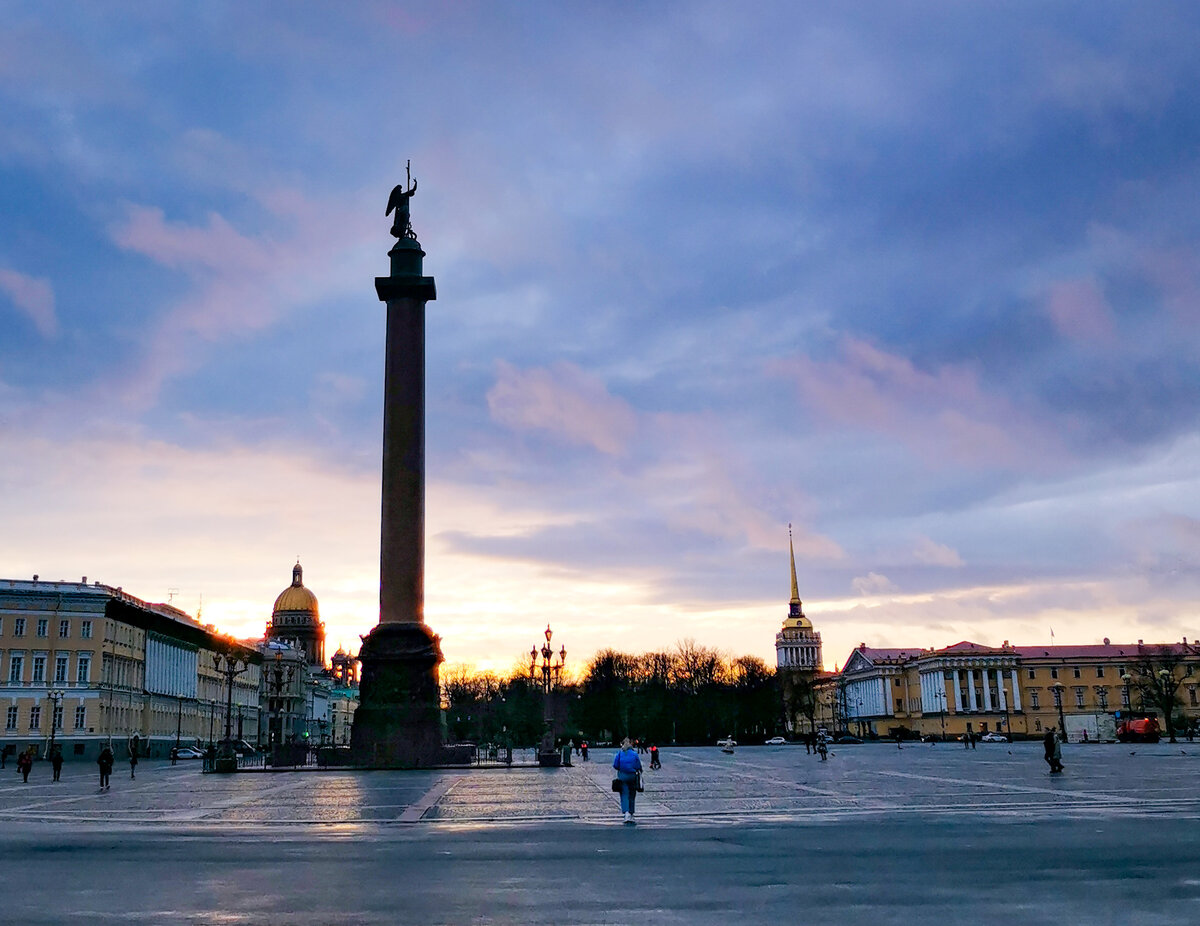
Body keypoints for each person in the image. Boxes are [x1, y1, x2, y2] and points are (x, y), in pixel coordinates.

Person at [612, 737, 643, 824]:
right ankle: (631, 813)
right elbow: (638, 766)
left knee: (624, 794)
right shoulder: (634, 754)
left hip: (622, 776)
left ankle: (626, 813)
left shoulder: (620, 753)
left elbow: (615, 765)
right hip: (632, 776)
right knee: (632, 794)